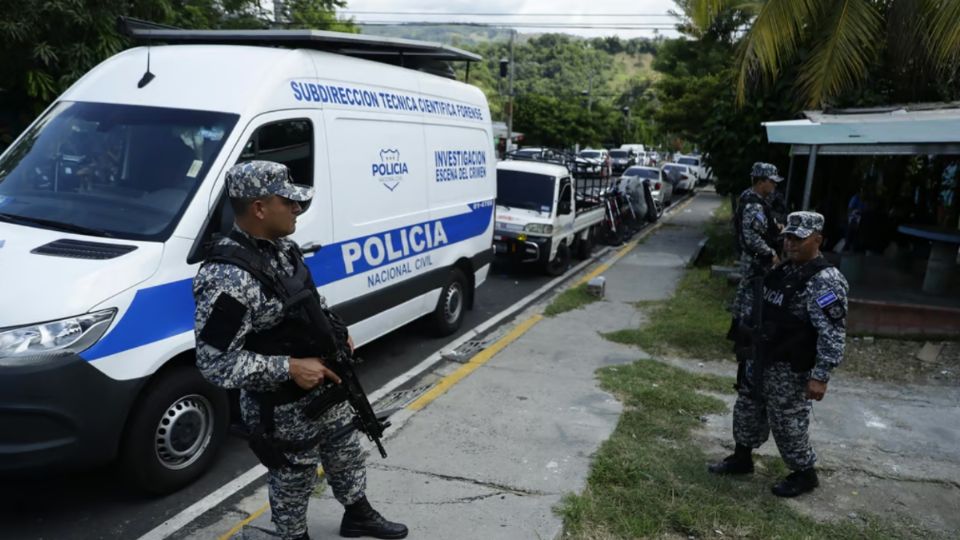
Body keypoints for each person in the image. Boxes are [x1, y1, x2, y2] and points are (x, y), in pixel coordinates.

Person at [193, 161, 407, 540]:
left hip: (324, 379)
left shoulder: (284, 249)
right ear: (259, 208)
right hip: (281, 402)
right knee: (294, 474)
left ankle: (357, 513)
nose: (297, 208)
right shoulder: (227, 277)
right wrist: (289, 368)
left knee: (345, 447)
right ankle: (294, 536)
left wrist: (338, 334)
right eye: (288, 201)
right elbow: (216, 365)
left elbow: (309, 301)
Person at [710, 211, 849, 498]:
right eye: (788, 237)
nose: (791, 244)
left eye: (799, 239)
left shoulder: (826, 280)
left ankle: (804, 473)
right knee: (747, 407)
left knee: (787, 420)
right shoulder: (783, 270)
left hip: (789, 366)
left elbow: (832, 333)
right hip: (761, 357)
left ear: (818, 240)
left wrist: (821, 376)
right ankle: (742, 458)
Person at [730, 162, 784, 322]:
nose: (775, 184)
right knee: (751, 296)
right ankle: (745, 335)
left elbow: (758, 226)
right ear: (761, 182)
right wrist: (771, 253)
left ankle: (739, 329)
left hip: (753, 257)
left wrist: (775, 226)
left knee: (745, 291)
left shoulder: (751, 197)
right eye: (772, 181)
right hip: (755, 258)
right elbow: (752, 237)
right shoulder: (753, 204)